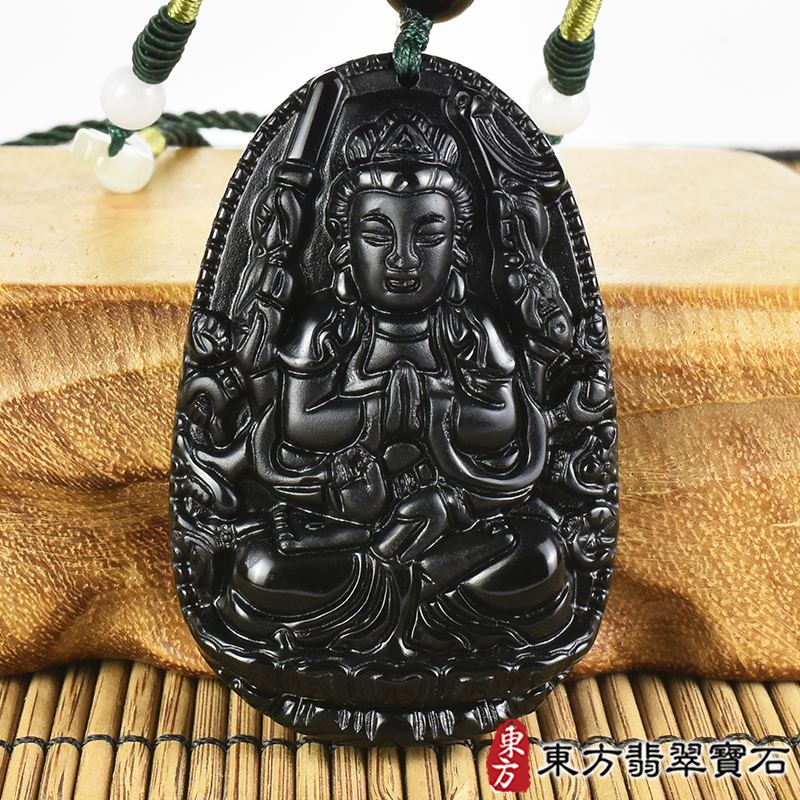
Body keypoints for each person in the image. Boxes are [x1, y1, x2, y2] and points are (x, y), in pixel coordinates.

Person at [222, 114, 572, 653]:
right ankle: (408, 580)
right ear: (345, 243)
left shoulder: (472, 325)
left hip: (452, 520)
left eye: (428, 236)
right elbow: (297, 422)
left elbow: (504, 421)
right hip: (345, 517)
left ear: (457, 246)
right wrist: (383, 425)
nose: (403, 259)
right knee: (262, 566)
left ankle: (400, 581)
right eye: (377, 235)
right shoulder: (325, 325)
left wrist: (434, 437)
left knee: (538, 553)